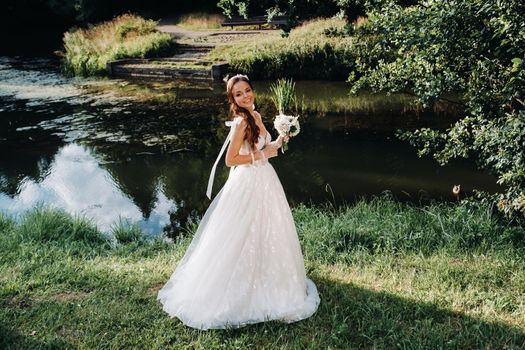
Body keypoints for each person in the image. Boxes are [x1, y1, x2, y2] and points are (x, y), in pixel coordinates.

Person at [157, 74, 320, 330]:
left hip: (265, 179)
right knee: (240, 232)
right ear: (232, 99)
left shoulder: (254, 115)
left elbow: (264, 147)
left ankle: (270, 279)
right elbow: (231, 160)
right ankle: (236, 289)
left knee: (268, 231)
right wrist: (262, 154)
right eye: (239, 94)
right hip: (247, 182)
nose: (245, 96)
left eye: (247, 91)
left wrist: (280, 139)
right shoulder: (241, 121)